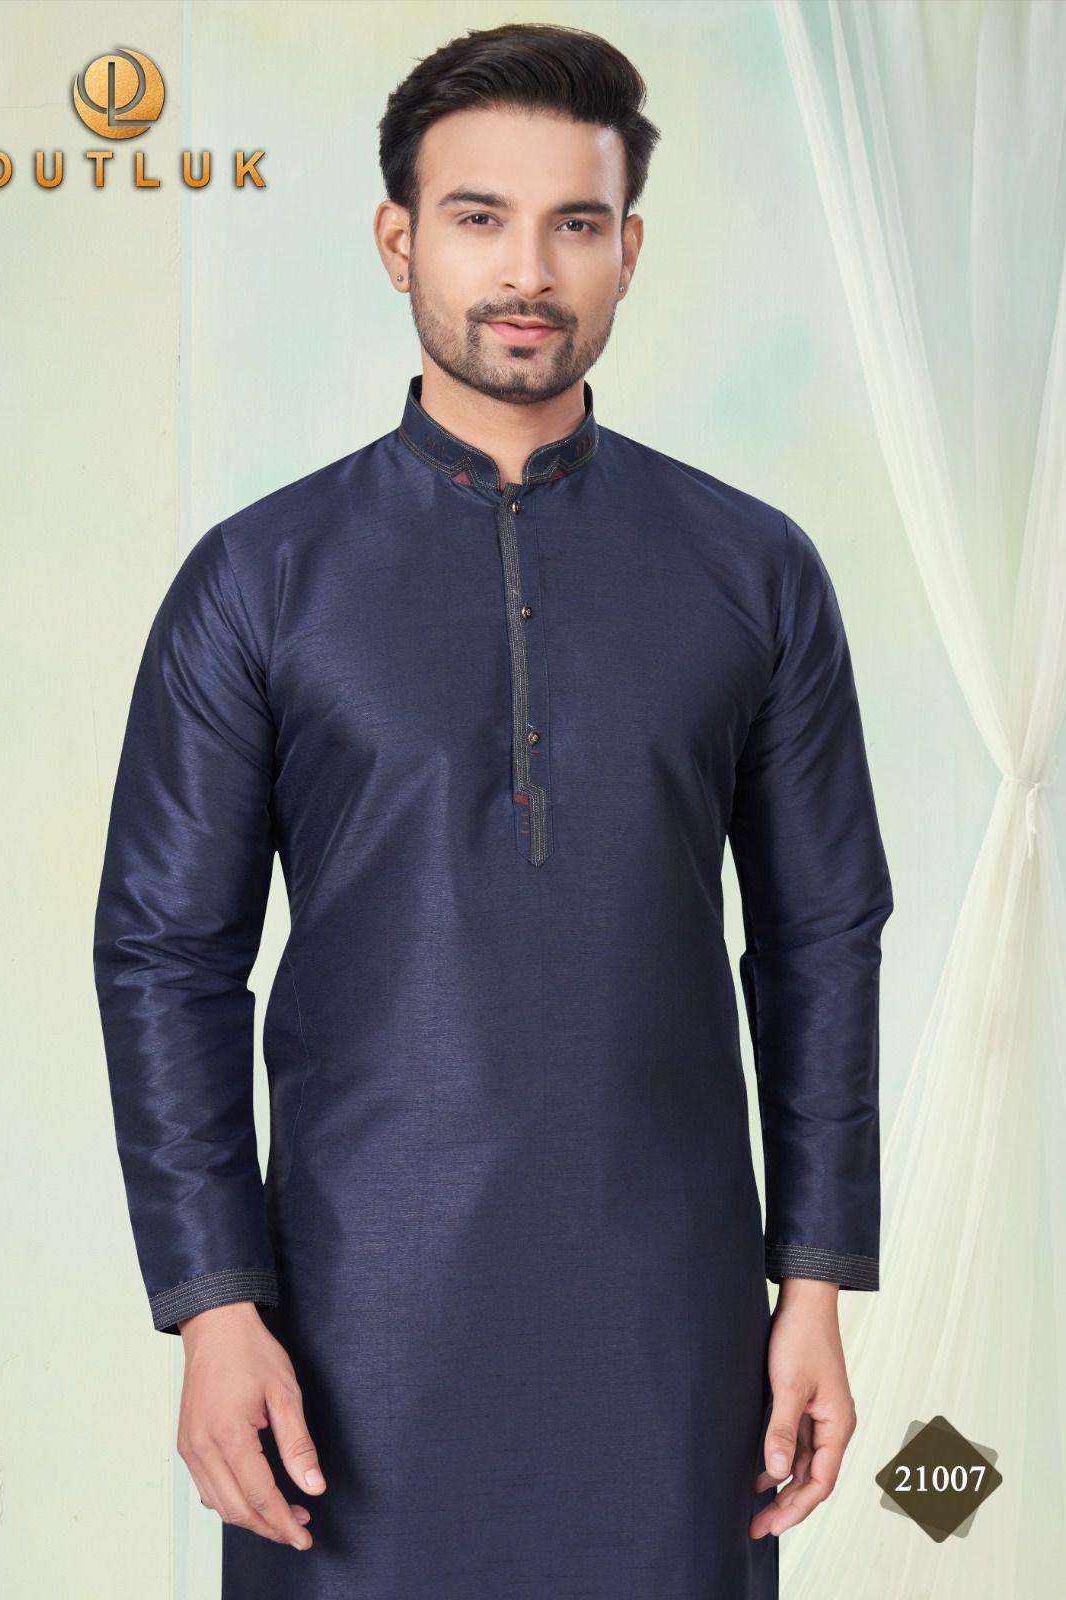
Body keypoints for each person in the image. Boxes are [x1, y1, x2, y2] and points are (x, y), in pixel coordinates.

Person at [92, 20, 894, 1600]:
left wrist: (811, 1286)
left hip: (671, 1333)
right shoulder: (259, 581)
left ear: (627, 250)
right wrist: (212, 1305)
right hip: (345, 1339)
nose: (527, 269)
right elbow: (165, 957)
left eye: (574, 222)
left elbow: (821, 939)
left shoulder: (751, 570)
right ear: (397, 240)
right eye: (478, 217)